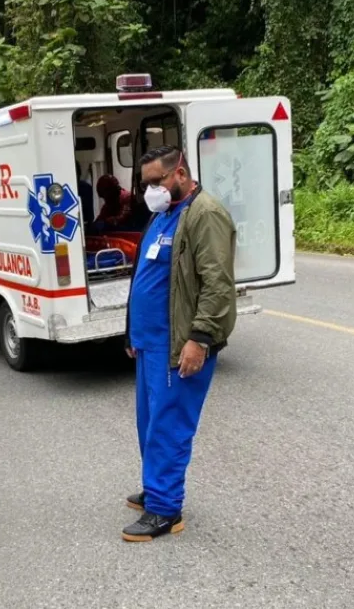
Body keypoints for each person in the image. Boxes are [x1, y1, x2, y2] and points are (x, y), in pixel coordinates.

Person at [122, 145, 237, 542]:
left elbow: (217, 285)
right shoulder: (162, 214)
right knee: (150, 423)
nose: (151, 189)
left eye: (158, 181)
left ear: (181, 175)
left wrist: (200, 339)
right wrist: (131, 331)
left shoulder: (204, 215)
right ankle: (155, 488)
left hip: (179, 345)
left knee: (170, 426)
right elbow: (146, 274)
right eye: (146, 184)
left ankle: (166, 510)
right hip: (150, 344)